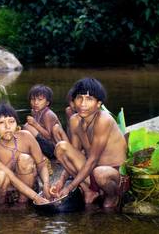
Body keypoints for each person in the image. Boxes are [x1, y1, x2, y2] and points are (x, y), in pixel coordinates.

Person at [50, 78, 127, 208]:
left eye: (89, 99)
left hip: (113, 175)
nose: (83, 104)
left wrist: (70, 187)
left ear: (98, 103)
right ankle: (89, 191)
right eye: (79, 98)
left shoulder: (103, 120)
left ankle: (113, 196)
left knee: (100, 173)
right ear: (73, 101)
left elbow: (92, 159)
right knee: (61, 147)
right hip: (92, 172)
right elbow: (74, 154)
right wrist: (61, 181)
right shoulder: (75, 120)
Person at [0, 103, 51, 205]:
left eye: (11, 121)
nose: (8, 126)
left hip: (29, 184)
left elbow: (41, 165)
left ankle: (23, 202)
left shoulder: (26, 137)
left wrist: (46, 185)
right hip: (5, 187)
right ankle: (1, 208)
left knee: (25, 159)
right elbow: (11, 178)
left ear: (17, 124)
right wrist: (36, 197)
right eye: (1, 123)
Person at [23, 84, 68, 159]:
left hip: (53, 149)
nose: (36, 103)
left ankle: (52, 157)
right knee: (26, 127)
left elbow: (48, 136)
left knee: (27, 127)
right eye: (33, 99)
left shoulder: (48, 114)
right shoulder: (34, 111)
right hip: (44, 145)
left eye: (40, 100)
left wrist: (35, 124)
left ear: (47, 103)